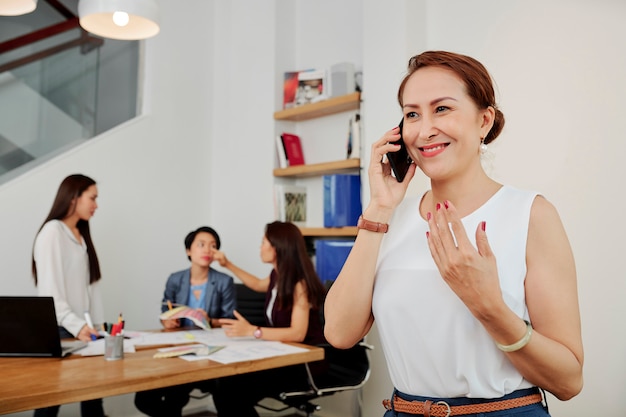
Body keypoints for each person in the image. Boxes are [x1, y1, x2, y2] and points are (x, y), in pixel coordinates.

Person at [324, 50, 584, 417]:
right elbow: (338, 332)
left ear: (484, 121)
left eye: (442, 109)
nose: (425, 128)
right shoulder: (389, 222)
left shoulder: (531, 215)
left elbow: (569, 381)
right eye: (412, 114)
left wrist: (489, 307)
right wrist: (380, 209)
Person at [210, 221, 327, 417]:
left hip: (302, 365)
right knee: (225, 384)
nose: (260, 247)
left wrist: (253, 331)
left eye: (264, 242)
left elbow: (297, 333)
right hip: (281, 356)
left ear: (278, 248)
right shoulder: (277, 275)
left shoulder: (300, 284)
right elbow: (256, 284)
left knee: (231, 390)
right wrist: (227, 264)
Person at [134, 226, 237, 417]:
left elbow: (230, 321)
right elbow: (166, 310)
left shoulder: (224, 281)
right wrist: (167, 321)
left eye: (213, 246)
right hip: (179, 347)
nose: (207, 250)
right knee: (144, 399)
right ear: (188, 250)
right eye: (201, 245)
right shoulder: (175, 279)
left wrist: (210, 320)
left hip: (209, 351)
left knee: (177, 394)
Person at [31, 174, 106, 417]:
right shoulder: (52, 232)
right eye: (92, 198)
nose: (96, 205)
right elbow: (50, 292)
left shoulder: (80, 235)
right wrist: (77, 326)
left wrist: (97, 325)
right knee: (51, 401)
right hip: (62, 330)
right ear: (74, 197)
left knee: (93, 398)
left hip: (84, 330)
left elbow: (90, 285)